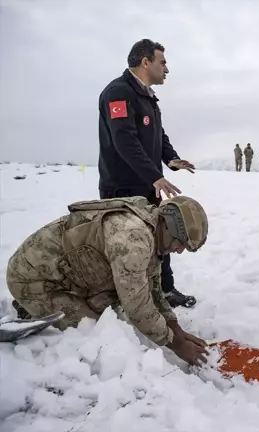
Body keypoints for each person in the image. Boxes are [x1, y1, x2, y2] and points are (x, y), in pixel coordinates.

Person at [7, 195, 210, 366]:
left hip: (67, 275)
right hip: (32, 280)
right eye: (180, 243)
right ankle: (29, 306)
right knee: (94, 331)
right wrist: (177, 345)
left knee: (109, 307)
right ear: (167, 226)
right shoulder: (133, 238)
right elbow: (137, 305)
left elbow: (153, 289)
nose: (179, 250)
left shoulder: (152, 229)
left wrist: (175, 328)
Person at [97, 38, 196, 308]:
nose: (166, 69)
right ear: (145, 62)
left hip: (148, 185)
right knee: (125, 245)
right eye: (162, 62)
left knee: (159, 239)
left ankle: (164, 290)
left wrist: (172, 159)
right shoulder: (118, 92)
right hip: (123, 188)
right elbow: (124, 141)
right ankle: (123, 298)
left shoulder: (148, 97)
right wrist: (154, 175)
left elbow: (158, 136)